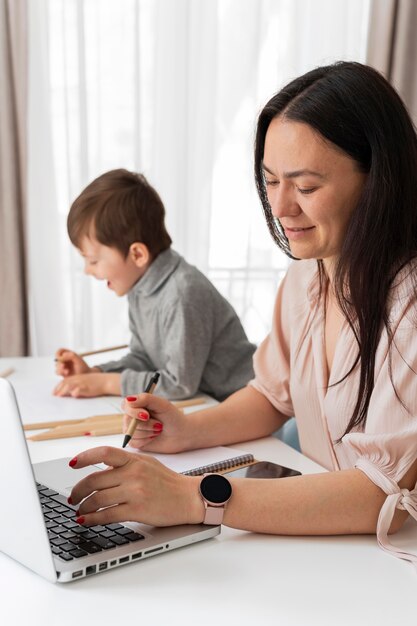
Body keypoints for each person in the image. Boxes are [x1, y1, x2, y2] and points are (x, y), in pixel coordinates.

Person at [68, 62, 417, 569]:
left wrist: (196, 498)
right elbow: (271, 395)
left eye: (306, 186)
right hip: (328, 545)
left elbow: (378, 495)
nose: (280, 207)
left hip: (393, 562)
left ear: (378, 180)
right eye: (271, 181)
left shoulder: (407, 307)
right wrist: (186, 431)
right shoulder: (307, 277)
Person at [53, 169, 256, 400]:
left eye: (93, 260)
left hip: (242, 404)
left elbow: (178, 384)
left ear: (137, 254)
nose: (87, 270)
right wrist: (96, 373)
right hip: (206, 402)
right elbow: (144, 359)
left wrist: (108, 383)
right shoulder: (140, 288)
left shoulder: (182, 293)